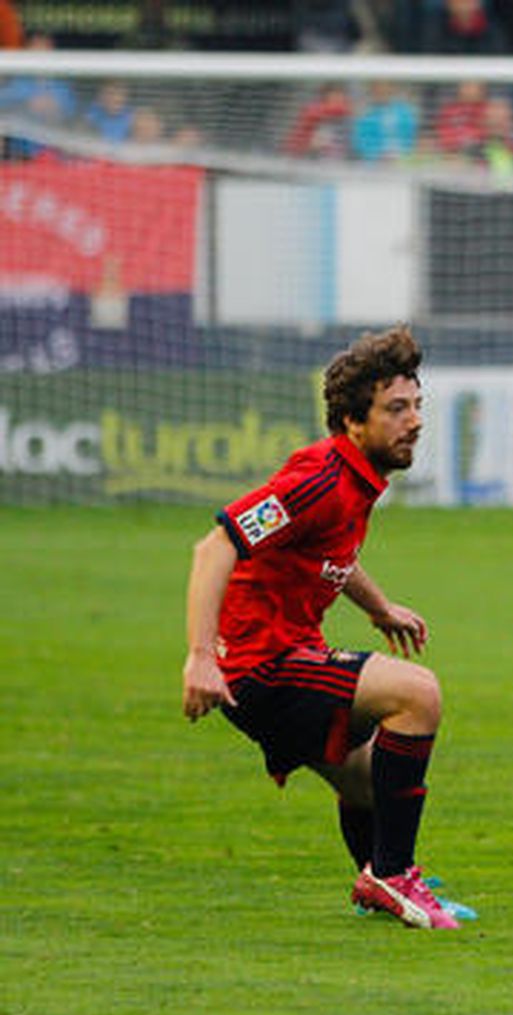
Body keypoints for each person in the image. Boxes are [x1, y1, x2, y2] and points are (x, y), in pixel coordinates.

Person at [181, 325, 468, 929]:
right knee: (418, 694)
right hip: (260, 668)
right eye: (396, 409)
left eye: (417, 405)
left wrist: (378, 607)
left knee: (368, 781)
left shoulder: (354, 479)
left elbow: (327, 551)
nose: (415, 421)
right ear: (353, 421)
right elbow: (215, 547)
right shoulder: (318, 480)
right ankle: (393, 876)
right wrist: (201, 656)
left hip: (282, 657)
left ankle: (378, 877)